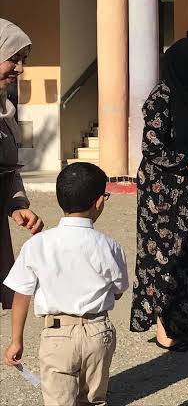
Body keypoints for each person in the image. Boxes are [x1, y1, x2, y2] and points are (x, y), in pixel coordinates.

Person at [3, 162, 128, 406]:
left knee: (58, 401)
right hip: (97, 331)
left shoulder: (37, 245)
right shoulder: (110, 246)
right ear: (99, 202)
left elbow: (21, 294)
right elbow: (118, 290)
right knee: (93, 400)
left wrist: (16, 340)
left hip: (56, 334)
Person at [130, 38, 188, 351]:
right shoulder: (161, 97)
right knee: (165, 256)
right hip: (162, 192)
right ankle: (163, 327)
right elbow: (152, 147)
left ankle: (186, 322)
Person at [0, 18, 44, 310]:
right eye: (13, 58)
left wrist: (16, 205)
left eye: (23, 60)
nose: (20, 68)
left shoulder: (5, 112)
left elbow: (7, 169)